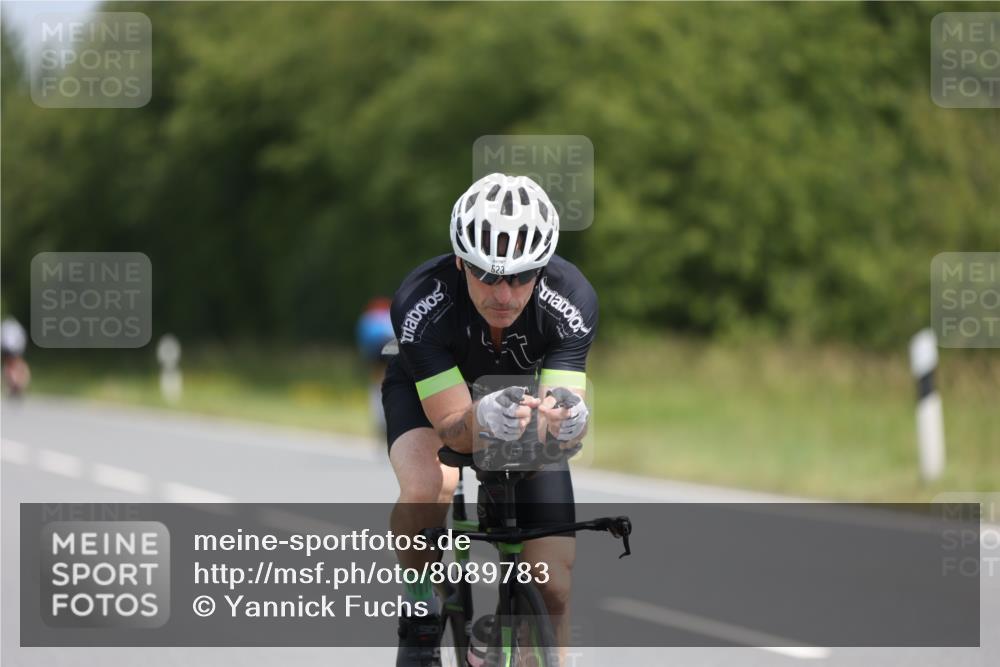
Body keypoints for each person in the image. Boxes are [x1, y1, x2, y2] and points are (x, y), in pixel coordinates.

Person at [383, 173, 596, 666]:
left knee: (554, 585)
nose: (504, 294)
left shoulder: (572, 300)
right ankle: (420, 612)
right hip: (430, 394)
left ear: (542, 269)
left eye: (521, 277)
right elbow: (453, 426)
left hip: (518, 395)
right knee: (428, 486)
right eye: (486, 275)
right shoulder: (420, 301)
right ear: (461, 261)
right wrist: (480, 417)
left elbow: (560, 412)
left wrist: (570, 419)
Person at [356, 297, 396, 436]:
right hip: (391, 346)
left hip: (376, 351)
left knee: (377, 383)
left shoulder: (366, 319)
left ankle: (381, 420)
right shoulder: (391, 314)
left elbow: (364, 344)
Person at [1, 317, 30, 398]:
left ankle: (16, 384)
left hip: (10, 347)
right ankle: (17, 384)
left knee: (11, 365)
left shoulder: (7, 326)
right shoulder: (14, 327)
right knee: (16, 365)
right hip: (16, 347)